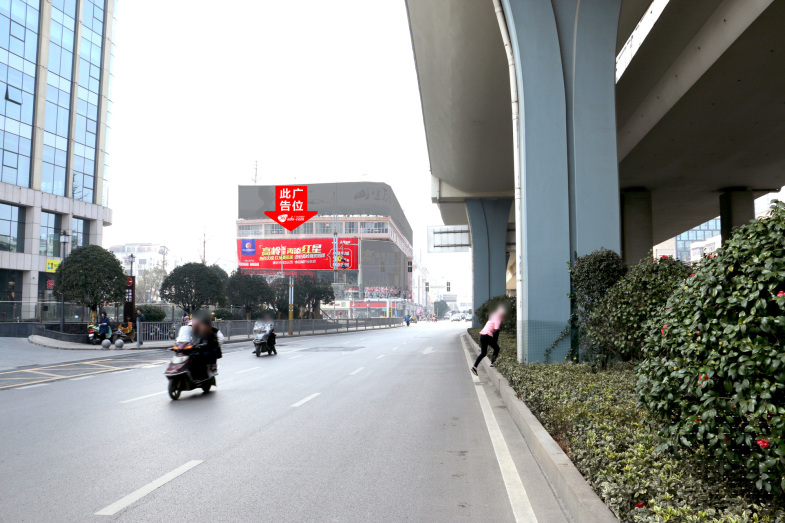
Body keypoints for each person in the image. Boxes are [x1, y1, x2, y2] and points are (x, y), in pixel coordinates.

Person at [471, 305, 506, 376]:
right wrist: (495, 340)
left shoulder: (493, 315)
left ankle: (474, 367)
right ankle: (492, 363)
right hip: (487, 335)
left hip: (482, 335)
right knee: (497, 348)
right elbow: (496, 331)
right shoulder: (498, 319)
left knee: (483, 353)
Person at [190, 311, 222, 377]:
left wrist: (215, 345)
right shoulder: (195, 331)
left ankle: (212, 369)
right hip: (196, 348)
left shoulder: (213, 332)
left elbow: (218, 340)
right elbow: (189, 338)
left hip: (206, 349)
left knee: (210, 352)